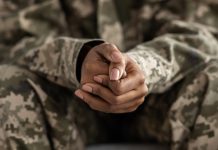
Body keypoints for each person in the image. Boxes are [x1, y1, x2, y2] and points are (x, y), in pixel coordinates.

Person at [0, 0, 218, 149]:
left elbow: (203, 32)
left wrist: (144, 66)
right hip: (66, 92)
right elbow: (14, 39)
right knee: (6, 89)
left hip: (168, 91)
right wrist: (76, 58)